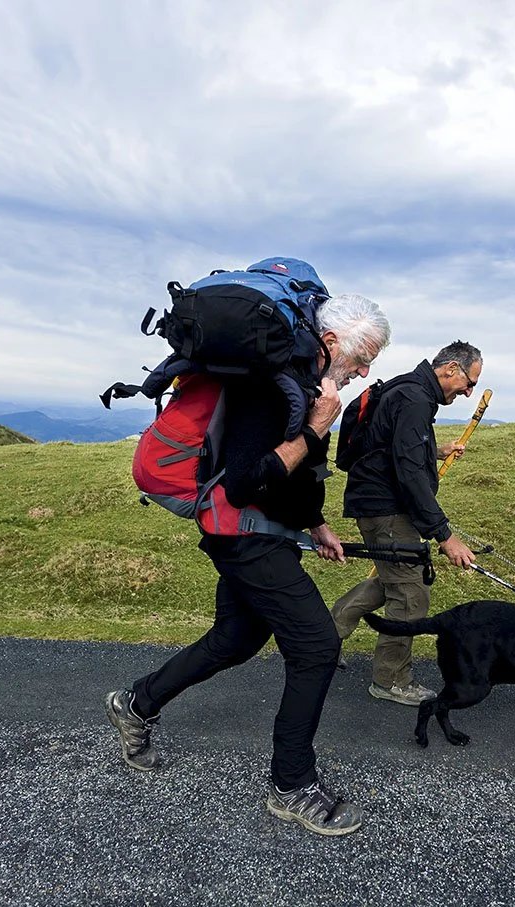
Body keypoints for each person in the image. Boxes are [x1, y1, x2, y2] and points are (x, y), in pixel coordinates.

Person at [105, 292, 391, 837]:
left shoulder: (308, 385)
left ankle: (136, 703)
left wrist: (315, 523)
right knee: (317, 646)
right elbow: (245, 479)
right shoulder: (275, 385)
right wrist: (315, 428)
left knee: (235, 640)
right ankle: (291, 786)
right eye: (362, 356)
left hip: (260, 534)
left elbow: (299, 475)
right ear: (330, 343)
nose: (365, 370)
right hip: (243, 536)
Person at [330, 340, 482, 705]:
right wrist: (445, 536)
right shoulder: (415, 399)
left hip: (377, 504)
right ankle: (391, 680)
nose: (468, 392)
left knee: (392, 581)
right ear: (450, 369)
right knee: (412, 596)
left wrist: (436, 449)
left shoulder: (408, 390)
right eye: (469, 383)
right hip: (388, 509)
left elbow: (395, 447)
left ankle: (324, 636)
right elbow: (410, 473)